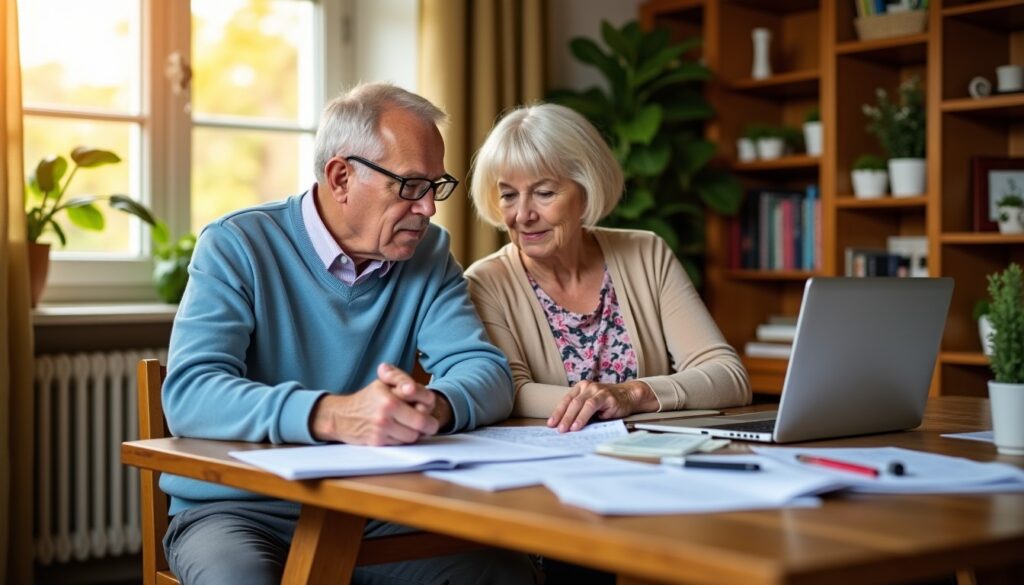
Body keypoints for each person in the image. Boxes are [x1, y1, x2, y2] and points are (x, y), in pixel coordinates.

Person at [161, 82, 538, 585]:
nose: (429, 208)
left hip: (375, 504)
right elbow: (191, 394)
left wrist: (434, 405)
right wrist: (334, 415)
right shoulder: (236, 245)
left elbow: (486, 371)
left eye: (435, 186)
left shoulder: (428, 254)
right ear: (341, 177)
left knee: (502, 575)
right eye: (409, 186)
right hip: (241, 508)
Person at [466, 103, 752, 434]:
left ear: (586, 191)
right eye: (508, 196)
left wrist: (633, 393)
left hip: (651, 460)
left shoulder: (646, 254)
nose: (522, 215)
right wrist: (602, 400)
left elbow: (728, 376)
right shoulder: (486, 282)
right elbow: (507, 392)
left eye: (544, 193)